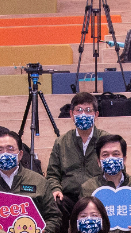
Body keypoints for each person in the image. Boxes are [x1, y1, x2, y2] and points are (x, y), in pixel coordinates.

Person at [45, 92, 107, 222]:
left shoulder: (106, 140)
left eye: (88, 110)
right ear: (71, 114)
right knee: (55, 202)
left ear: (96, 115)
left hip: (97, 196)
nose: (83, 114)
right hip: (69, 197)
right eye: (79, 110)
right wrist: (55, 189)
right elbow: (52, 174)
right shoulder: (61, 142)